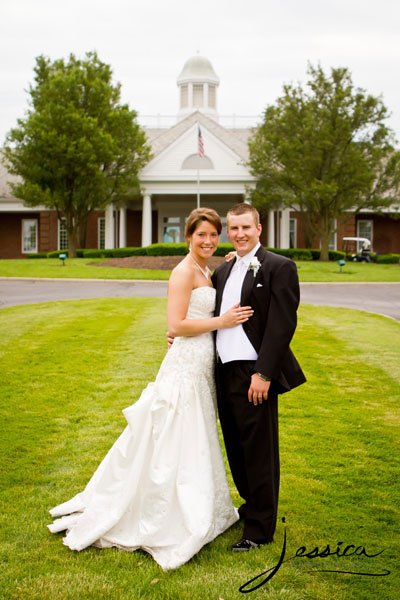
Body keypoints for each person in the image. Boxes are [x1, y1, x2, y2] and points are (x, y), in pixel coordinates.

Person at [47, 207, 254, 571]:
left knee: (196, 431)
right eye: (200, 235)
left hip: (202, 362)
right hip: (186, 363)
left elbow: (188, 317)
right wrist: (218, 321)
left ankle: (199, 500)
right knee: (174, 431)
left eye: (213, 234)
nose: (207, 240)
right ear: (188, 236)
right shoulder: (182, 271)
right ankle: (165, 509)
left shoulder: (207, 269)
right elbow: (175, 322)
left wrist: (227, 263)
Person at [212, 203, 306, 551]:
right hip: (223, 371)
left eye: (245, 228)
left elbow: (283, 325)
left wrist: (263, 373)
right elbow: (215, 316)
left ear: (259, 229)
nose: (239, 234)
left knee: (258, 450)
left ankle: (259, 530)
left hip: (254, 372)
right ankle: (251, 505)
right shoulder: (223, 271)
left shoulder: (279, 266)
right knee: (236, 447)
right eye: (233, 228)